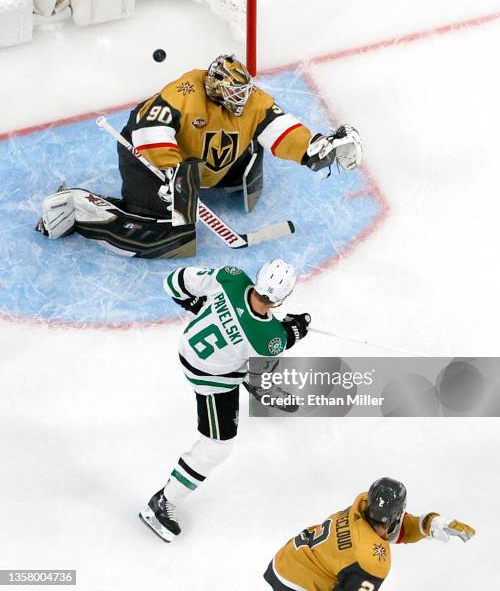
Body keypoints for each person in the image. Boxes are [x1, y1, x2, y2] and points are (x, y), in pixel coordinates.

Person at [36, 54, 363, 258]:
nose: (242, 99)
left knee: (251, 148)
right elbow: (150, 129)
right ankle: (79, 209)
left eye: (244, 92)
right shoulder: (185, 91)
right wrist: (171, 173)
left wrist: (314, 150)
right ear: (216, 88)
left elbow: (278, 126)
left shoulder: (252, 100)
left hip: (202, 164)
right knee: (167, 239)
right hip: (148, 158)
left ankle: (202, 181)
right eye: (234, 93)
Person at [139, 259, 311, 541]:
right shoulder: (270, 339)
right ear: (283, 299)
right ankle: (160, 503)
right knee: (217, 446)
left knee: (244, 357)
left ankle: (247, 380)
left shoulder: (231, 279)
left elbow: (174, 281)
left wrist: (196, 306)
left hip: (189, 346)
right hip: (210, 376)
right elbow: (265, 349)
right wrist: (292, 332)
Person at [264, 477, 476, 590]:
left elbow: (389, 527)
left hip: (290, 557)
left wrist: (426, 523)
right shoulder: (372, 561)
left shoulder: (363, 502)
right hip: (299, 584)